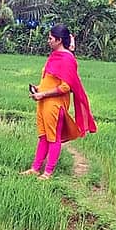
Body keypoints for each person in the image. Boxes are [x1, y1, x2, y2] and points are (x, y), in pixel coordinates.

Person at [21, 23, 96, 179]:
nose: (48, 41)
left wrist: (43, 94)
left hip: (54, 104)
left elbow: (65, 87)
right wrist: (39, 88)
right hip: (43, 102)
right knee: (43, 136)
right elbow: (50, 79)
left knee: (53, 138)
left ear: (59, 40)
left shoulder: (67, 59)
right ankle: (35, 168)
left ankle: (48, 172)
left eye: (50, 38)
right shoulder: (56, 55)